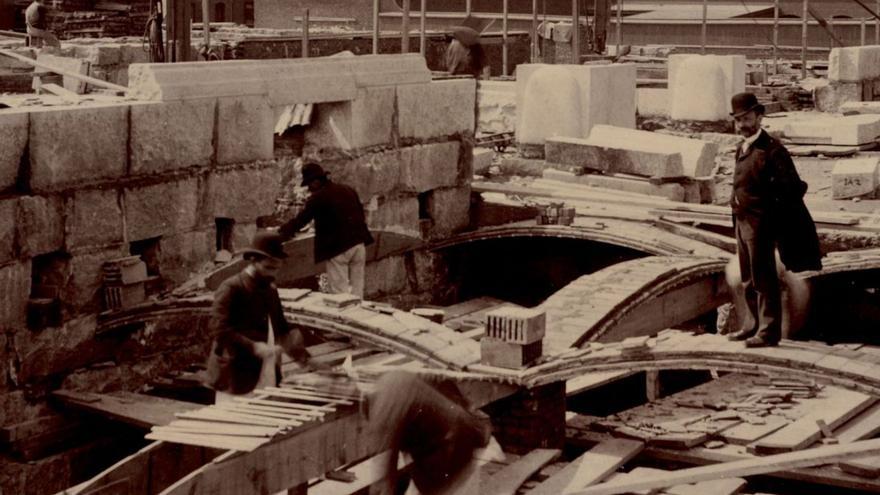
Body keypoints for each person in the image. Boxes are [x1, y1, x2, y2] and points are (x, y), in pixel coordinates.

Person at [726, 92, 822, 348]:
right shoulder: (742, 148)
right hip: (741, 221)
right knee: (747, 276)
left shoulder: (773, 150)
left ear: (759, 117)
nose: (742, 124)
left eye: (747, 118)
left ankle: (768, 331)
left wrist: (771, 218)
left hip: (760, 225)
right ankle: (751, 324)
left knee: (763, 278)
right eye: (738, 120)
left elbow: (792, 189)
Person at [205, 231, 309, 403]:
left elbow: (281, 328)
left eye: (276, 268)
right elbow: (218, 329)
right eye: (268, 268)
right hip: (236, 375)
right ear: (254, 261)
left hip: (265, 370)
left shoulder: (270, 289)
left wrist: (304, 359)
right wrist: (253, 347)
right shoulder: (231, 288)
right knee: (236, 417)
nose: (273, 274)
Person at [370, 371, 497, 495]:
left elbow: (385, 476)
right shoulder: (390, 387)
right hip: (443, 447)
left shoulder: (388, 402)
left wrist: (385, 482)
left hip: (454, 450)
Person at [279, 162, 373, 298]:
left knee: (340, 296)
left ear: (316, 181)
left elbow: (301, 220)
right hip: (359, 245)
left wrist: (282, 233)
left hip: (339, 249)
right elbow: (360, 214)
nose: (309, 188)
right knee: (358, 291)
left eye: (309, 184)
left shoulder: (318, 197)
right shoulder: (348, 189)